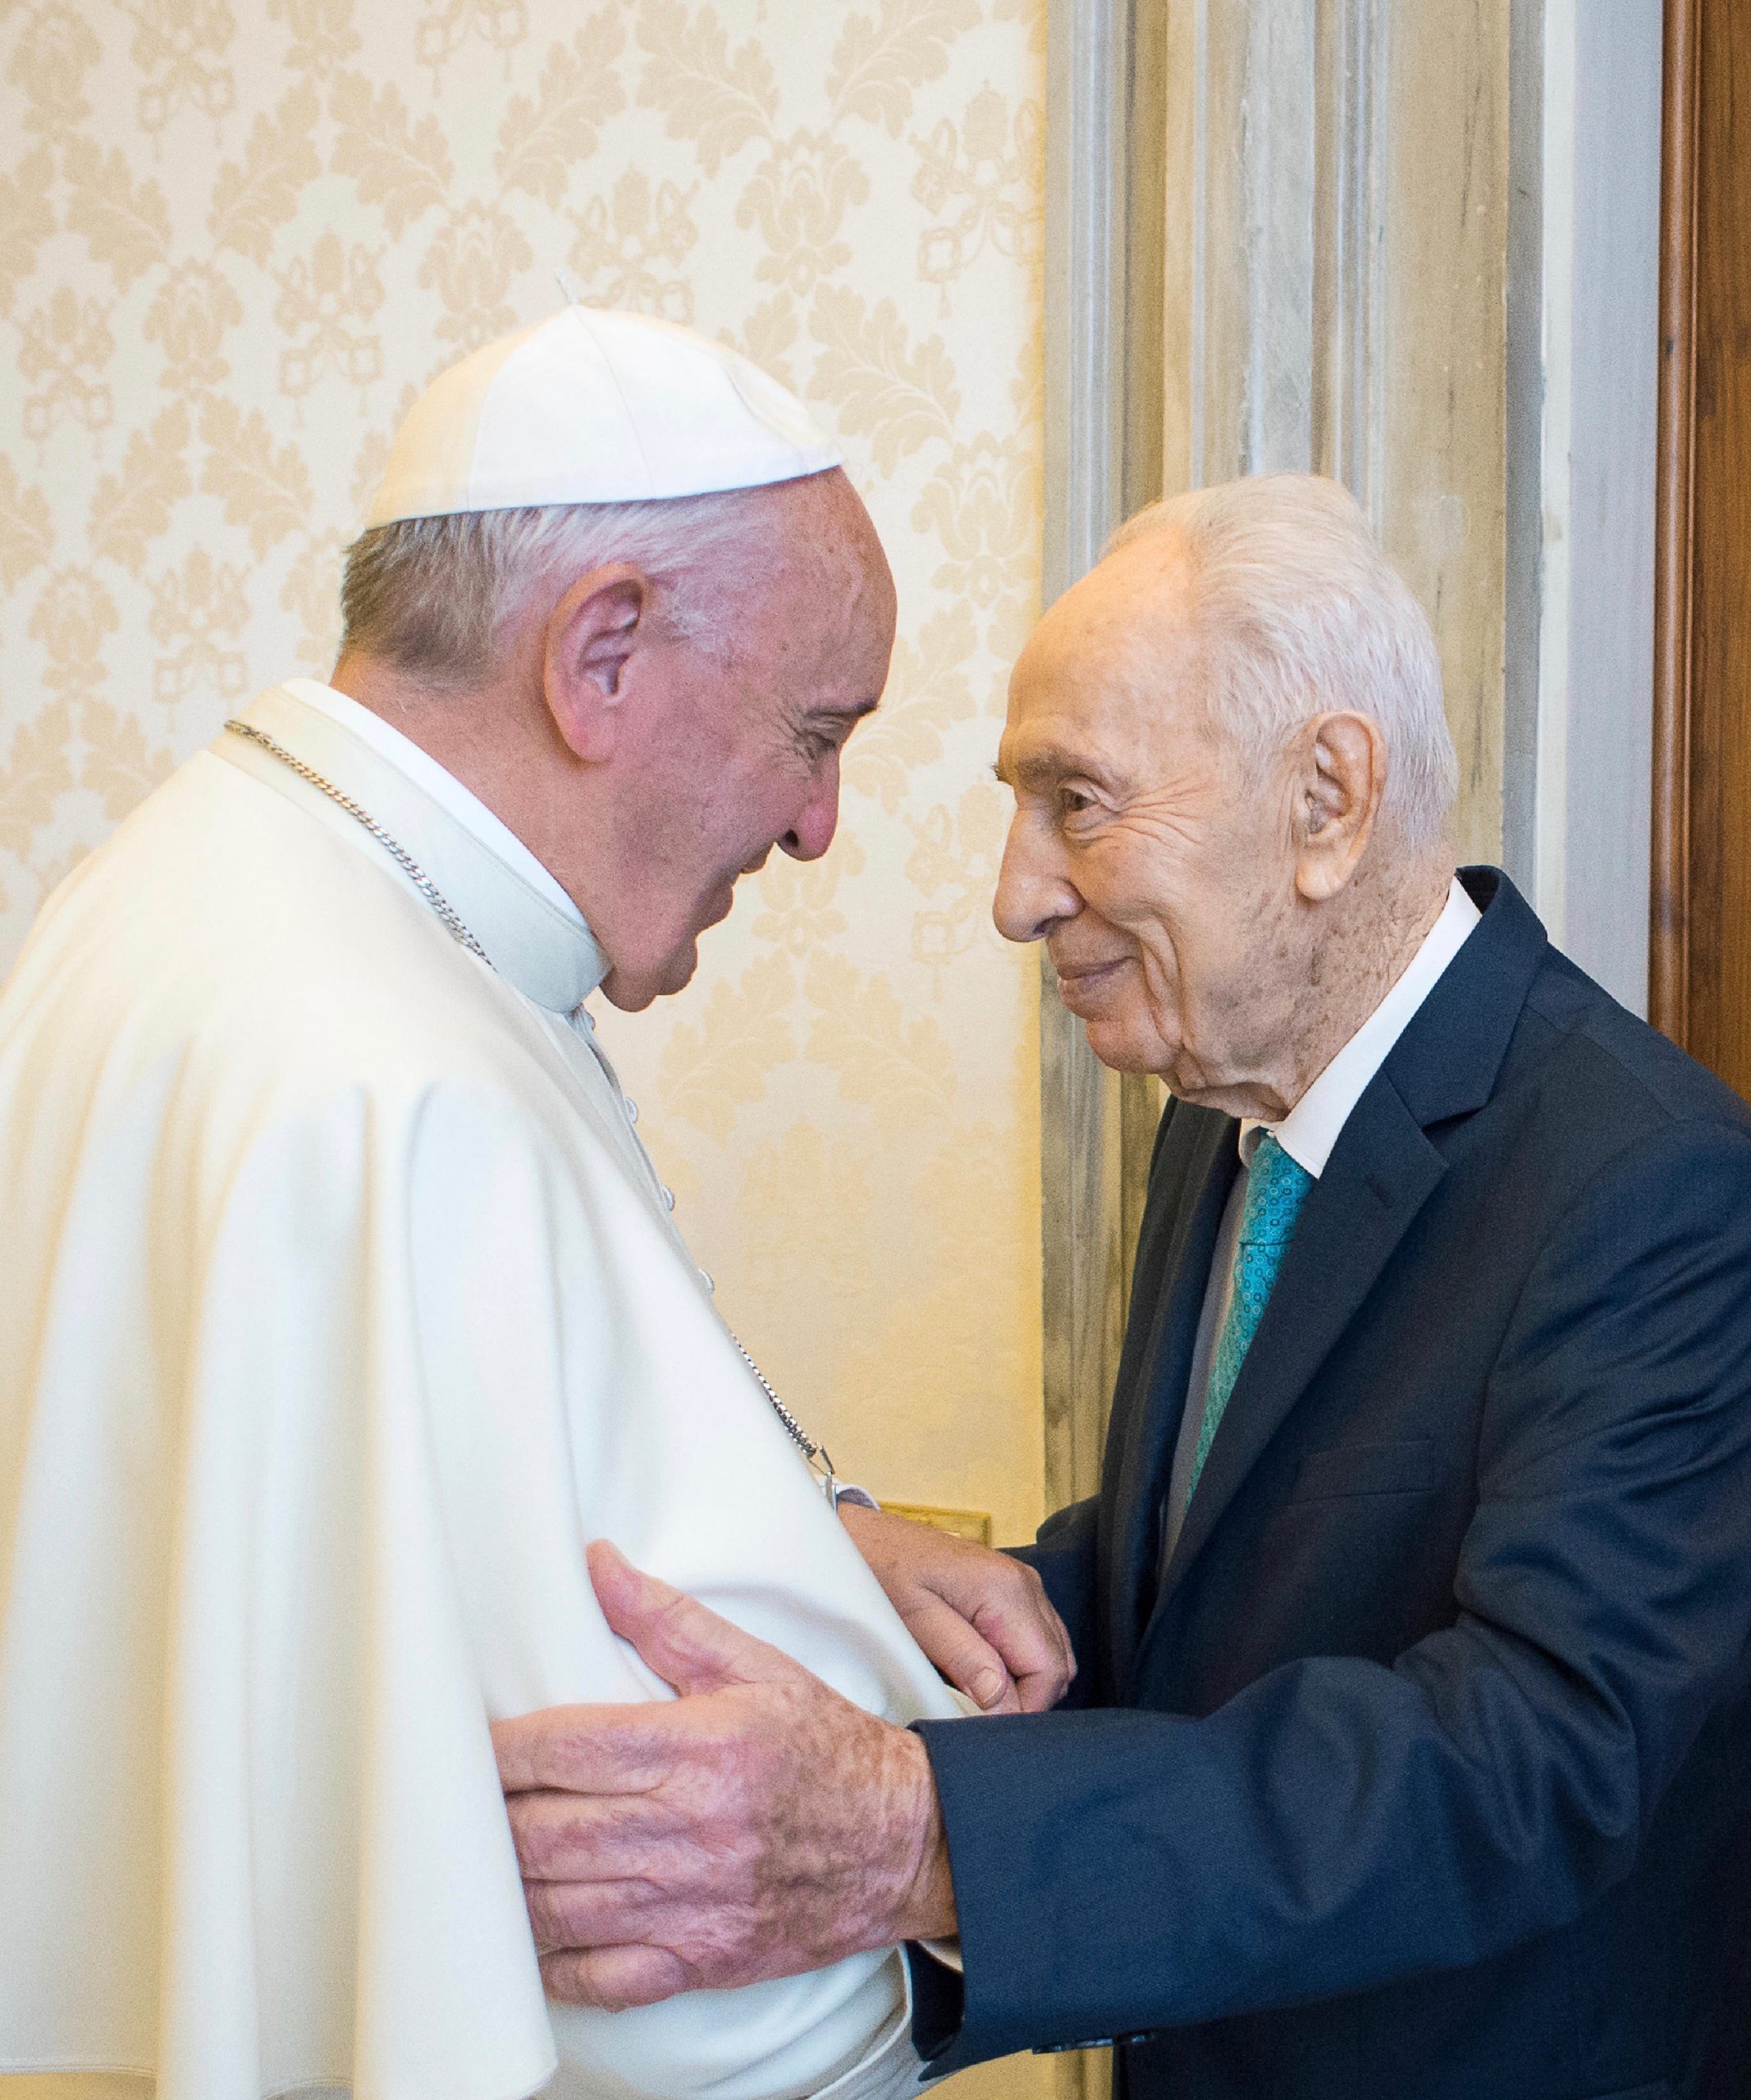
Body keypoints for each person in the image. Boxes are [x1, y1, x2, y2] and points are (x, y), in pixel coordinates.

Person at [494, 475, 1751, 2100]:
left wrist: (919, 1833)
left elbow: (1533, 1758)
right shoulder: (1218, 1107)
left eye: (1077, 802)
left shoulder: (1642, 1180)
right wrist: (923, 1602)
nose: (1015, 891)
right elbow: (1229, 1559)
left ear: (1325, 796)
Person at [0, 305, 1072, 2100]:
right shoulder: (395, 1074)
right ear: (602, 652)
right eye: (815, 733)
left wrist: (829, 1539)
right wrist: (916, 1909)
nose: (815, 827)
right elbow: (671, 1967)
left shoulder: (161, 902)